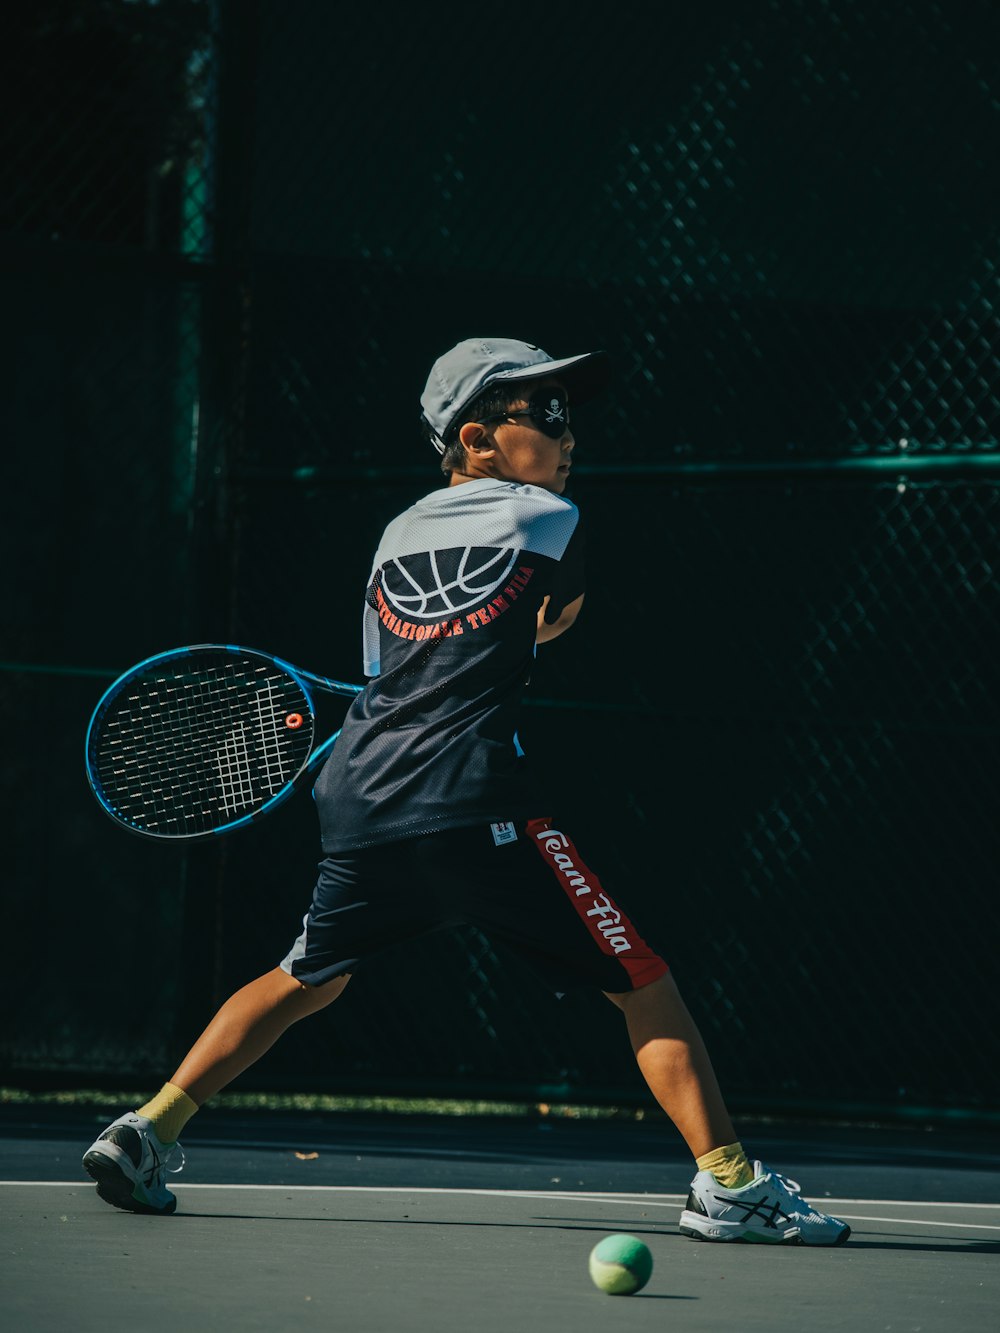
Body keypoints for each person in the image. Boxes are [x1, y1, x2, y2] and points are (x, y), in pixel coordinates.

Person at [83, 336, 849, 1246]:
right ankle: (729, 1184)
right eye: (546, 413)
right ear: (479, 438)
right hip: (475, 801)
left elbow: (388, 668)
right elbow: (550, 622)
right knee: (643, 979)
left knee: (304, 977)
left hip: (361, 796)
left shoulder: (393, 534)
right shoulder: (551, 517)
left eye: (569, 413)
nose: (569, 433)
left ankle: (148, 1128)